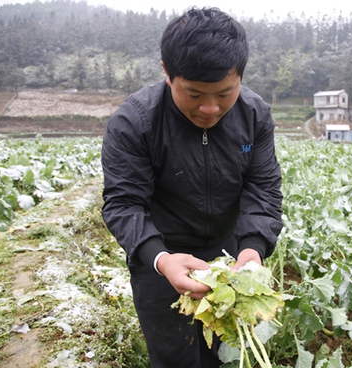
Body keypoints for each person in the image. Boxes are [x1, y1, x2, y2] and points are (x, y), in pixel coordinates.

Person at [101, 7, 283, 368]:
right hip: (161, 259)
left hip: (227, 258)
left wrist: (252, 249)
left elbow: (263, 189)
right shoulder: (135, 122)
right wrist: (161, 258)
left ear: (240, 78)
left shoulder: (254, 115)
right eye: (194, 94)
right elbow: (123, 205)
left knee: (224, 353)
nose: (210, 108)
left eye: (225, 93)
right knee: (174, 358)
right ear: (167, 73)